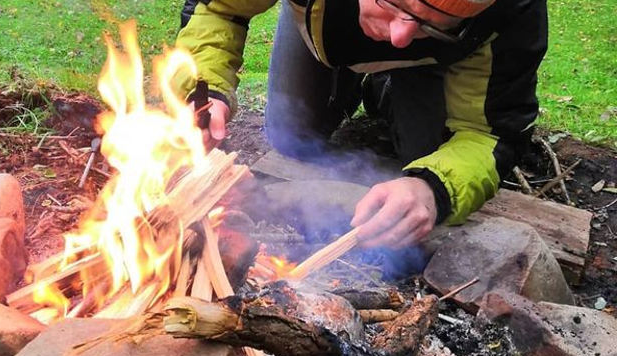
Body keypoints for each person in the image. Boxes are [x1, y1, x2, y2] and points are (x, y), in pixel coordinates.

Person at [172, 0, 547, 249]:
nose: (399, 37)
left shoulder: (514, 9)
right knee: (291, 134)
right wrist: (207, 88)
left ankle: (394, 81)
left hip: (432, 60)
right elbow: (219, 8)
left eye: (436, 22)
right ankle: (352, 72)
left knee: (420, 154)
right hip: (320, 19)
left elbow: (488, 134)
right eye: (394, 1)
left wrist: (432, 188)